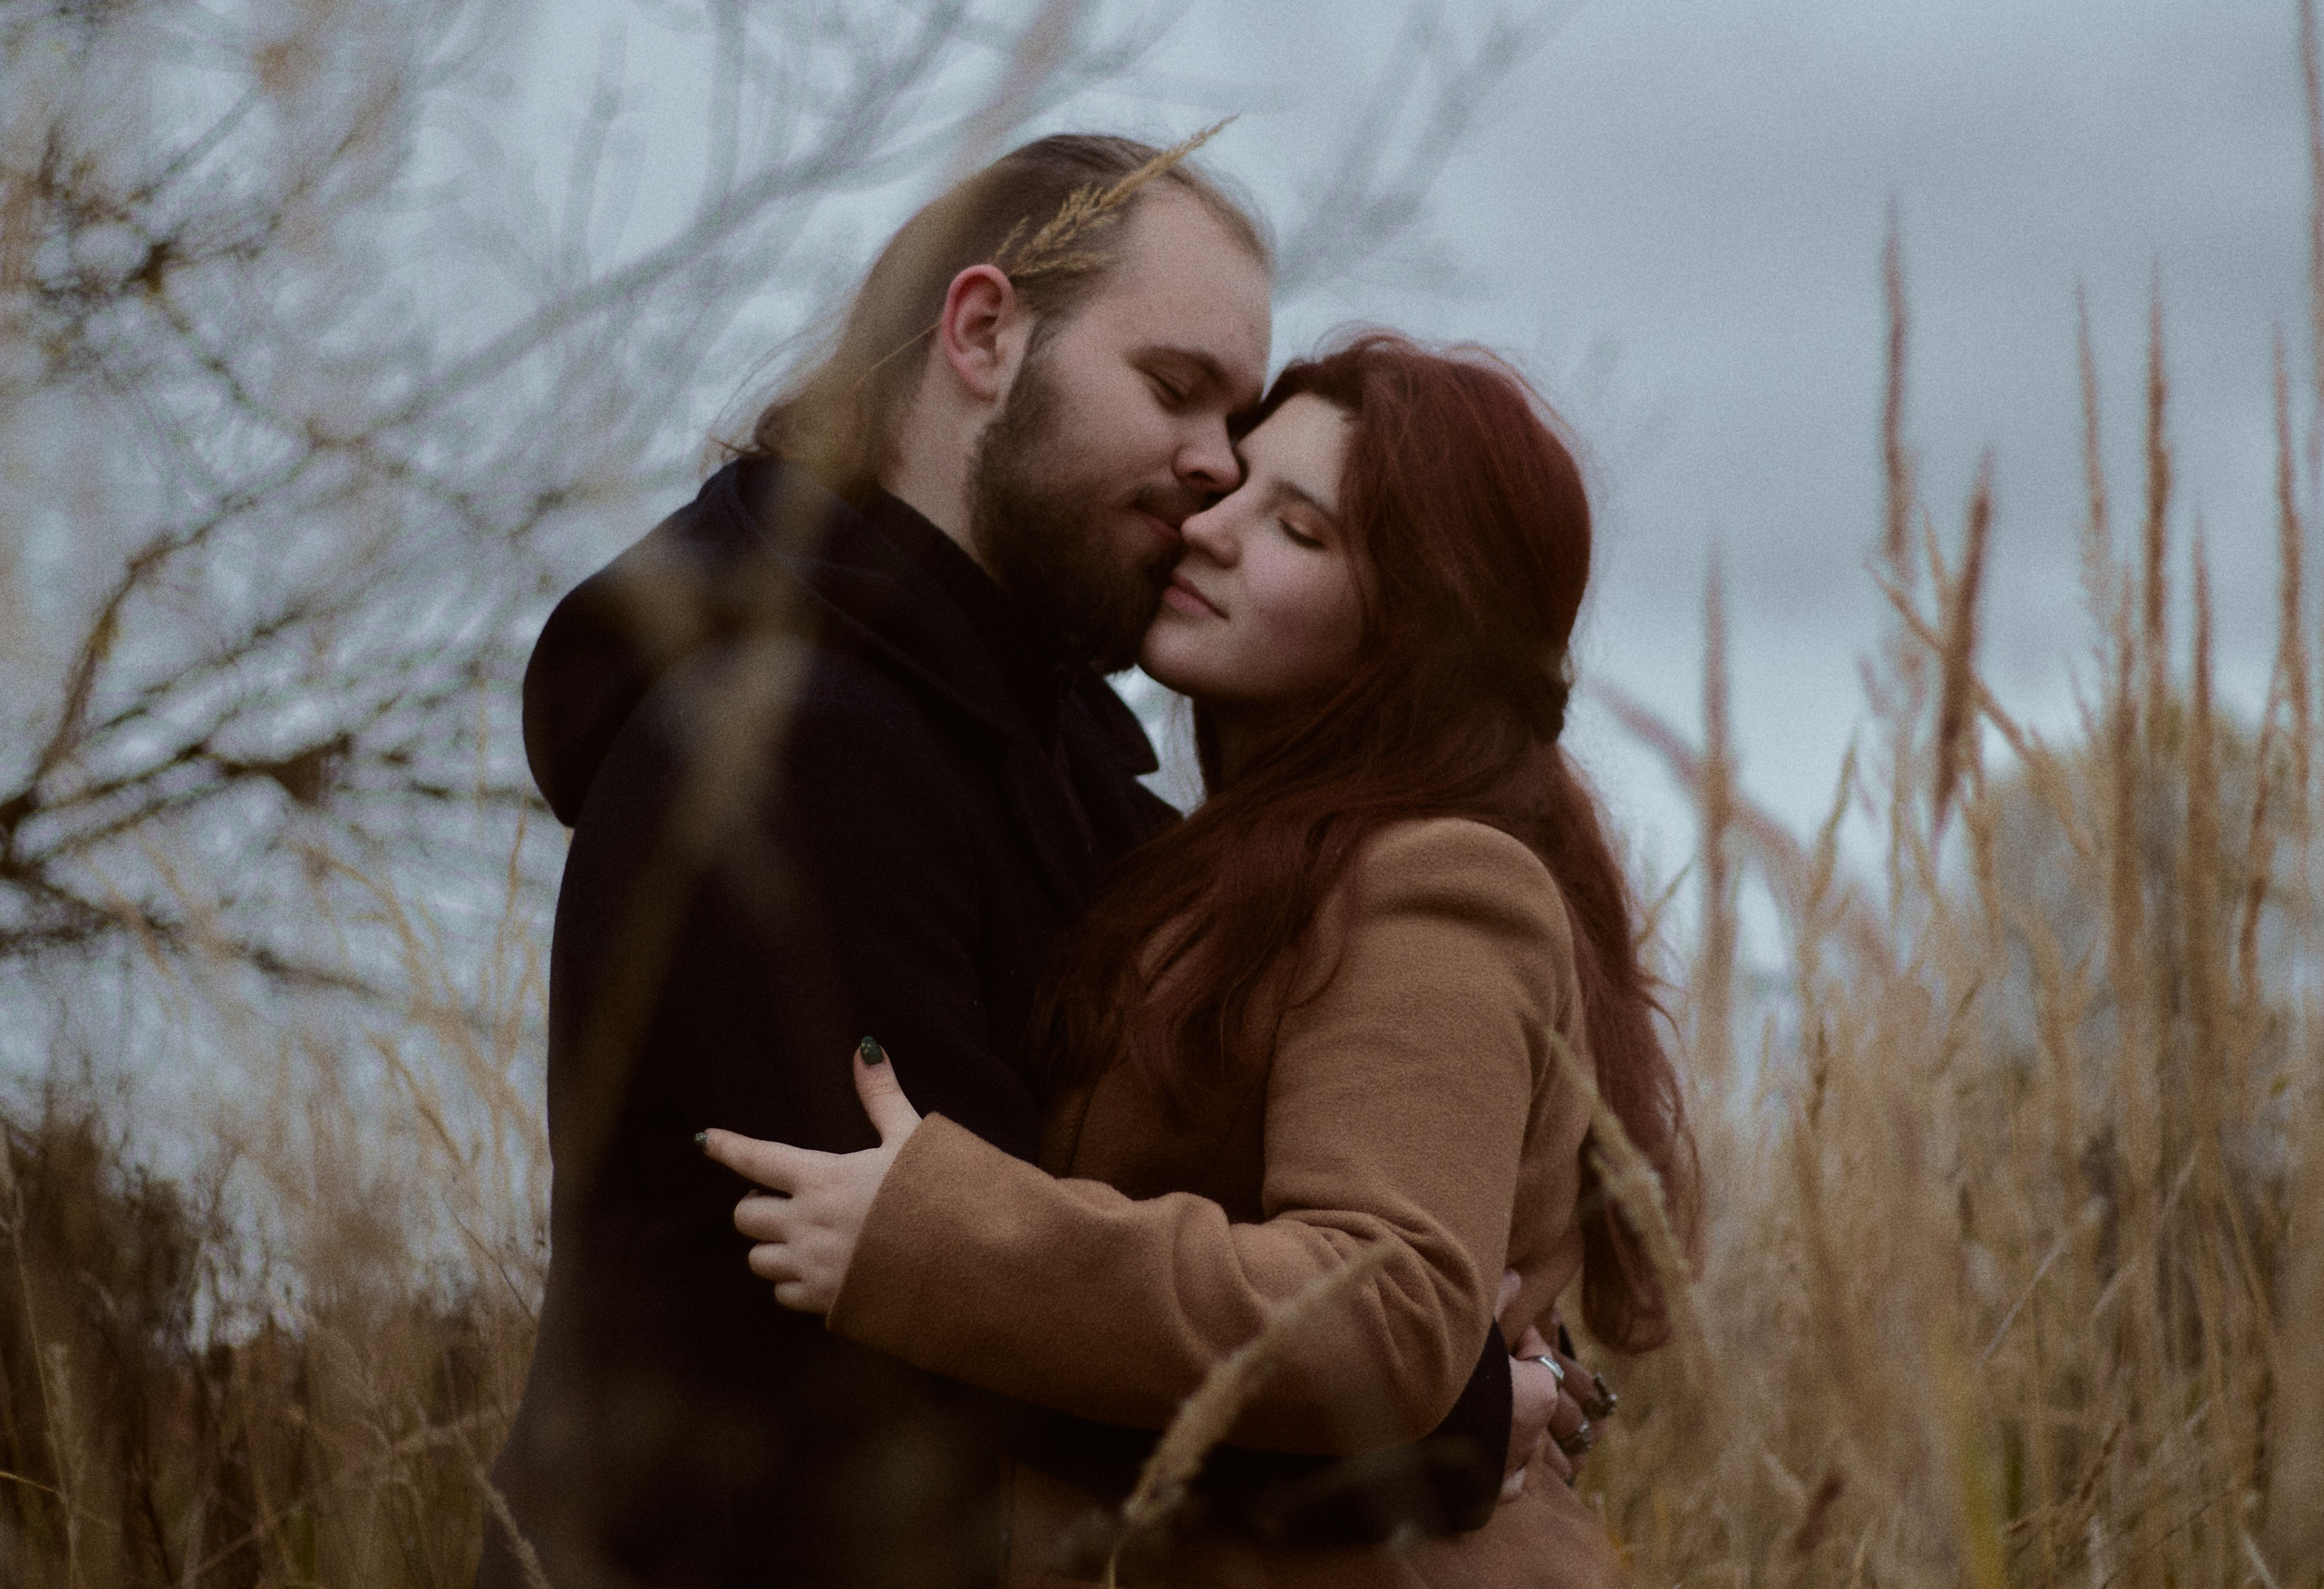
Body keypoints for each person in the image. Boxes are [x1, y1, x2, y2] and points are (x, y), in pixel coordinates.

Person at [483, 136, 1564, 1589]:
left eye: (1239, 417)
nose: (1215, 465)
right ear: (984, 331)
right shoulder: (781, 748)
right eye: (1175, 388)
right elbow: (937, 1326)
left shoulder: (1070, 774)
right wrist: (1437, 1426)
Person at [700, 332, 1702, 1586]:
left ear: (1417, 625)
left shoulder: (1436, 881)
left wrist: (945, 1241)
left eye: (1301, 530)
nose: (1212, 530)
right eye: (1233, 491)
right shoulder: (1239, 863)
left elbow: (1390, 1311)